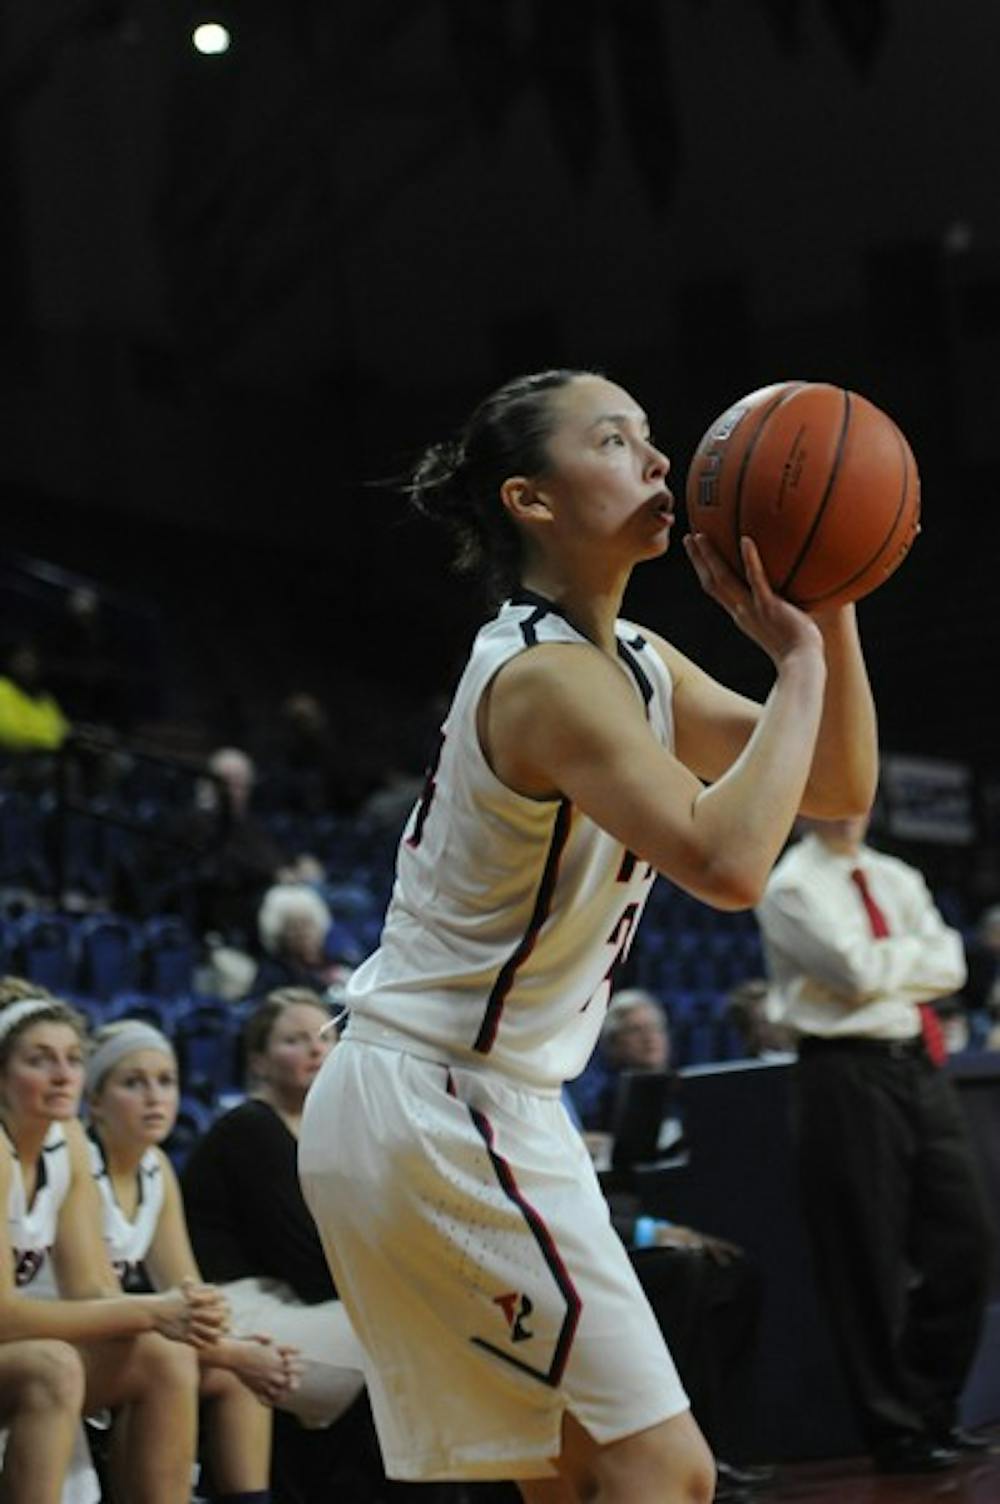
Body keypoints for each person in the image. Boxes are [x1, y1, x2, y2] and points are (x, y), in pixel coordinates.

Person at [297, 367, 879, 1504]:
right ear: (532, 501)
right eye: (615, 442)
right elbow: (725, 863)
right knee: (667, 1473)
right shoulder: (543, 679)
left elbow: (838, 779)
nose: (661, 463)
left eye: (652, 438)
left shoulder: (636, 664)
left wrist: (833, 600)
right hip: (439, 1099)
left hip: (477, 1101)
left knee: (575, 1483)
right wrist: (796, 662)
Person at [755, 814, 993, 1475]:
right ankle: (897, 1430)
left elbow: (953, 963)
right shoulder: (791, 886)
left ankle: (934, 1405)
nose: (848, 803)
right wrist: (914, 963)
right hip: (844, 1070)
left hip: (919, 1062)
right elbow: (856, 975)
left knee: (965, 1240)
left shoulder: (898, 874)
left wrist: (903, 967)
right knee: (867, 1256)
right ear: (803, 803)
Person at [0, 980, 228, 1503]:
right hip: (22, 1341)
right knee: (52, 1366)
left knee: (166, 1357)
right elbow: (5, 1314)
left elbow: (91, 1289)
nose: (63, 1075)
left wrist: (183, 1315)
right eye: (40, 1060)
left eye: (74, 1059)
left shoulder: (69, 1142)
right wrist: (154, 1311)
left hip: (28, 1342)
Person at [84, 1018, 303, 1503]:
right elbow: (100, 1309)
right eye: (132, 1083)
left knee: (237, 1370)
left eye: (166, 1082)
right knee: (185, 1359)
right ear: (94, 1101)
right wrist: (237, 1353)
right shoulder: (82, 1163)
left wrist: (235, 1343)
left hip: (117, 1335)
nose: (154, 1097)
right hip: (72, 1335)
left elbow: (191, 1290)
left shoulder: (155, 1167)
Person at [181, 990, 370, 1500]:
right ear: (260, 1061)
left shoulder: (336, 1129)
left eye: (325, 1037)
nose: (315, 1049)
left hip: (297, 1300)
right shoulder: (250, 1128)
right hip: (236, 1308)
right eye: (294, 1040)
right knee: (405, 1351)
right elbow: (309, 1263)